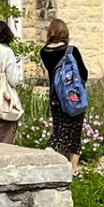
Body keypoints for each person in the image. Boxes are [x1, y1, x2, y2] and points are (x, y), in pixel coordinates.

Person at [40, 19, 88, 171]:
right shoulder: (71, 50)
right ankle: (72, 169)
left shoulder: (44, 52)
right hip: (72, 97)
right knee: (75, 132)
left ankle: (51, 159)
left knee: (58, 130)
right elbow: (83, 74)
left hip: (56, 97)